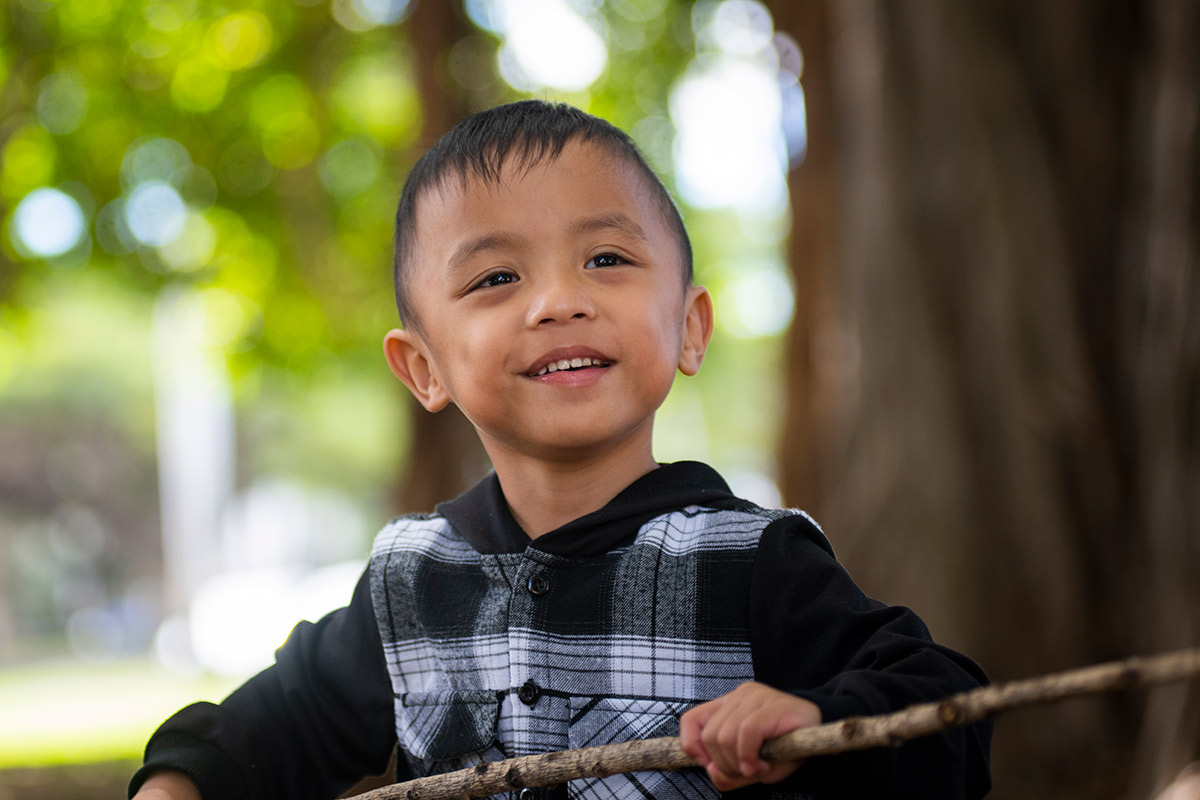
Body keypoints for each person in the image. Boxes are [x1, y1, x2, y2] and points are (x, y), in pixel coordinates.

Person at [130, 100, 992, 800]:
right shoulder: (412, 588)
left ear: (689, 329)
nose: (557, 301)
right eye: (497, 278)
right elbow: (268, 727)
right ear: (424, 367)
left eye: (606, 258)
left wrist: (816, 715)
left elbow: (942, 707)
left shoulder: (750, 563)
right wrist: (178, 784)